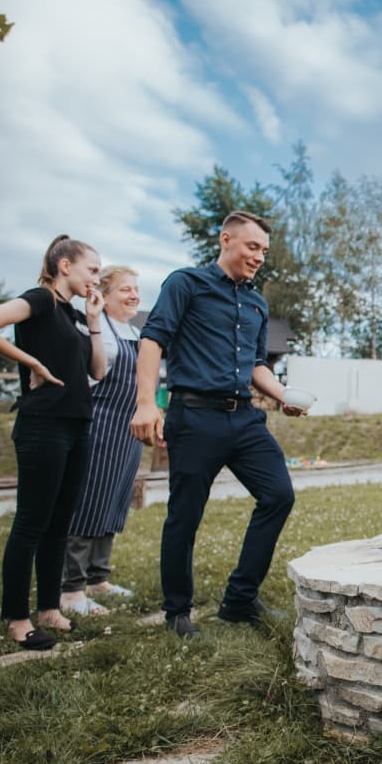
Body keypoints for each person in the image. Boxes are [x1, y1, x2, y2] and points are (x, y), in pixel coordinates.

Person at [129, 211, 305, 639]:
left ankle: (240, 600)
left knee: (278, 495)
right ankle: (177, 610)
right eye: (252, 246)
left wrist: (283, 395)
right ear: (226, 239)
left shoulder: (258, 304)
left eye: (264, 251)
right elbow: (153, 339)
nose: (259, 257)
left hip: (244, 417)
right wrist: (146, 403)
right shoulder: (186, 284)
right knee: (185, 515)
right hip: (194, 416)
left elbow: (257, 365)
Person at [0, 235, 105, 650]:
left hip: (78, 425)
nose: (97, 278)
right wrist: (32, 363)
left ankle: (48, 610)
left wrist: (94, 321)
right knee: (31, 523)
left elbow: (97, 370)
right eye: (92, 269)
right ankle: (17, 618)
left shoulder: (73, 314)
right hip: (43, 424)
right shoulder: (40, 300)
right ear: (65, 265)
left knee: (59, 526)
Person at [60, 266, 144, 616]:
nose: (134, 295)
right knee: (87, 505)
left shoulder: (136, 333)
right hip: (99, 428)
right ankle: (70, 589)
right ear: (104, 296)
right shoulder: (93, 329)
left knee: (113, 503)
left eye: (135, 289)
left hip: (129, 432)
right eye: (125, 289)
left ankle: (98, 577)